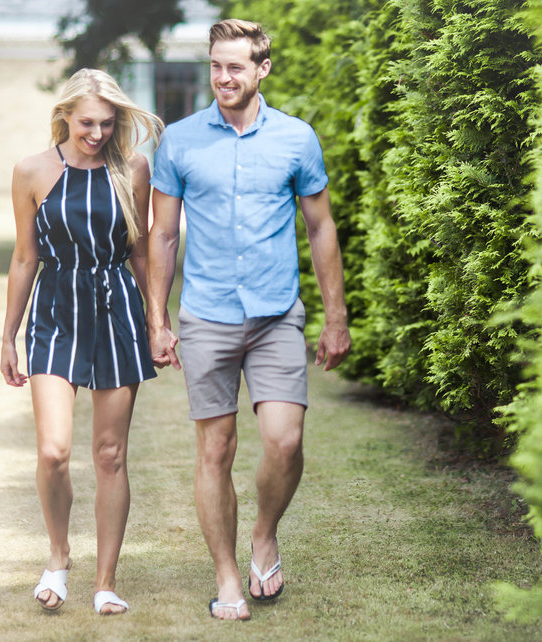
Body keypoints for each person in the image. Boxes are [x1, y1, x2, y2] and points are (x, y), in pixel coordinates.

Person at [146, 18, 352, 621]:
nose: (223, 78)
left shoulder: (296, 138)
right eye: (215, 66)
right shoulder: (180, 141)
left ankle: (264, 532)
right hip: (207, 316)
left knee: (285, 442)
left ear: (262, 69)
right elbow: (162, 236)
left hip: (274, 316)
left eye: (235, 67)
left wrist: (334, 316)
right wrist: (158, 319)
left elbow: (321, 227)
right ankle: (228, 575)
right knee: (215, 449)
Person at [0, 68, 164, 615]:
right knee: (54, 452)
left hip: (117, 310)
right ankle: (58, 555)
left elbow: (141, 252)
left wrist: (158, 320)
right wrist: (8, 336)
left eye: (107, 123)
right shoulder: (31, 171)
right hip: (54, 313)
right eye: (87, 122)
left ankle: (106, 582)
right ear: (66, 114)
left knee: (111, 455)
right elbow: (25, 258)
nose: (97, 133)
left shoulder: (132, 169)